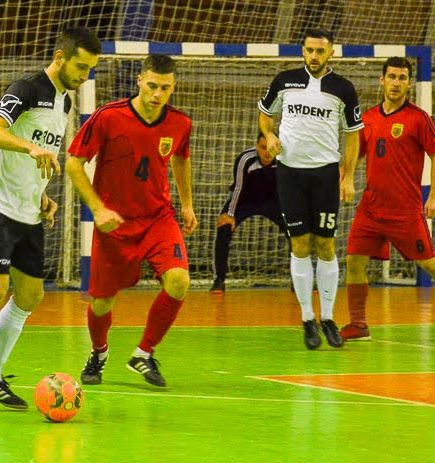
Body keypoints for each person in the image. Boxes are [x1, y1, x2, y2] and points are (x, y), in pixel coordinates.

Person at [0, 28, 101, 418]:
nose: (85, 75)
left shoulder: (64, 102)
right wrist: (31, 147)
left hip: (27, 206)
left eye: (90, 69)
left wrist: (43, 196)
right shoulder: (28, 87)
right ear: (60, 57)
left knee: (31, 296)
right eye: (80, 66)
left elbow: (37, 157)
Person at [65, 54, 197, 388]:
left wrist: (187, 205)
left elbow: (181, 159)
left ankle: (144, 354)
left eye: (165, 88)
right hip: (114, 223)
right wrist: (97, 210)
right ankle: (98, 352)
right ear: (139, 81)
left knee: (179, 281)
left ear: (173, 87)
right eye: (152, 85)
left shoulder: (180, 123)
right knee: (100, 304)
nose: (157, 93)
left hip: (158, 218)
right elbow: (73, 163)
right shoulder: (109, 117)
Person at [340, 57, 435, 343]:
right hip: (370, 208)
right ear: (382, 80)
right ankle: (359, 324)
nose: (396, 83)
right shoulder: (367, 118)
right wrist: (345, 177)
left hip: (405, 211)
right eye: (391, 76)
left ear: (409, 83)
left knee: (431, 264)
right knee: (354, 260)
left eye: (402, 78)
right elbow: (355, 154)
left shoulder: (418, 118)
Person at [258, 28, 362, 350]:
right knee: (300, 244)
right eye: (309, 50)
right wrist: (270, 135)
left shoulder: (343, 89)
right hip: (290, 174)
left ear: (332, 53)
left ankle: (328, 317)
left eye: (320, 51)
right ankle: (307, 319)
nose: (314, 56)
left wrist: (348, 177)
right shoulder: (284, 80)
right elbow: (265, 113)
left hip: (326, 175)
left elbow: (353, 134)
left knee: (326, 245)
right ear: (302, 51)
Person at [210, 132, 288, 294]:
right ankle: (219, 280)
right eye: (262, 148)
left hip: (274, 201)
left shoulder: (285, 160)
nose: (267, 153)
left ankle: (301, 280)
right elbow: (237, 188)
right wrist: (230, 214)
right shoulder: (245, 159)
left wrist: (295, 214)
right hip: (244, 200)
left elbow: (290, 190)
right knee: (224, 227)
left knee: (297, 231)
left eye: (271, 149)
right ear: (256, 147)